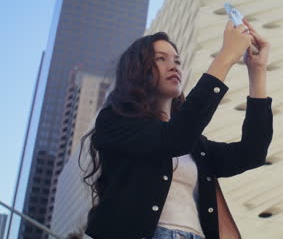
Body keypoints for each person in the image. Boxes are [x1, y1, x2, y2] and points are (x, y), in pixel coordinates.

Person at [80, 18, 273, 239]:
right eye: (161, 59)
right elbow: (173, 138)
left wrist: (257, 72)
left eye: (177, 61)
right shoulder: (113, 121)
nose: (173, 66)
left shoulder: (196, 145)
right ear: (137, 70)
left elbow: (252, 153)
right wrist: (226, 57)